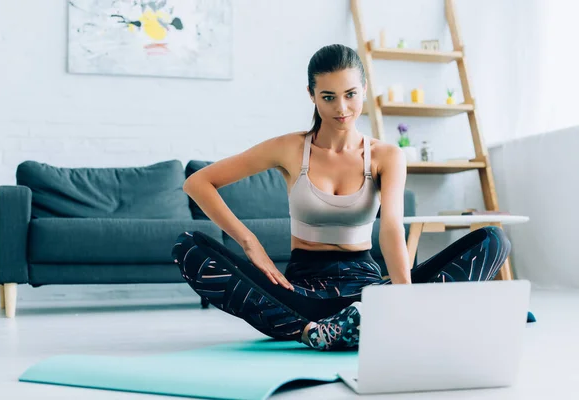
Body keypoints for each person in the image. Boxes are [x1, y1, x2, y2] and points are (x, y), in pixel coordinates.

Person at [171, 44, 512, 351]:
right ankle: (313, 332)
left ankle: (367, 321)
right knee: (188, 247)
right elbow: (198, 183)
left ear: (364, 88)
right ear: (312, 95)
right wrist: (250, 244)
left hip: (369, 291)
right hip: (301, 295)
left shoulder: (386, 155)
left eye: (350, 94)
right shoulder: (289, 148)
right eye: (329, 97)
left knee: (493, 240)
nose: (342, 107)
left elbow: (392, 228)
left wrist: (404, 301)